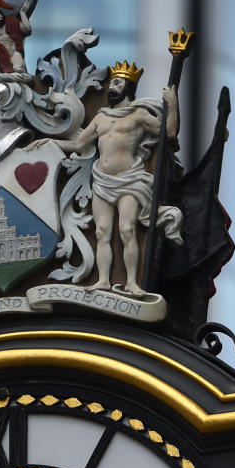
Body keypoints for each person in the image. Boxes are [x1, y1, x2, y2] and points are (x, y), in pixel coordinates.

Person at [48, 62, 183, 295]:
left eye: (118, 83)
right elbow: (79, 144)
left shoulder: (138, 115)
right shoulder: (101, 117)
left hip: (129, 179)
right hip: (101, 179)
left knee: (127, 229)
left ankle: (131, 282)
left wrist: (172, 103)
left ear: (128, 88)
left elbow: (168, 134)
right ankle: (103, 280)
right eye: (112, 83)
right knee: (102, 231)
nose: (112, 87)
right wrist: (49, 143)